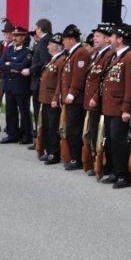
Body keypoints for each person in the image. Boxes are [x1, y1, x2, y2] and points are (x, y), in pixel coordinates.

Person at [97, 25, 131, 189]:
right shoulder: (115, 57)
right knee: (110, 140)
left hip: (120, 107)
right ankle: (115, 171)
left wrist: (127, 108)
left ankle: (123, 175)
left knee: (119, 141)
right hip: (109, 106)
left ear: (120, 39)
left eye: (112, 37)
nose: (110, 39)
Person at [58, 24, 90, 171]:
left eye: (65, 39)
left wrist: (72, 93)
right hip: (69, 97)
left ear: (71, 39)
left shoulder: (81, 53)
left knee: (74, 129)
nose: (63, 42)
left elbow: (79, 76)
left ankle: (77, 158)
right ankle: (73, 156)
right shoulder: (72, 53)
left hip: (76, 99)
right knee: (70, 128)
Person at [84, 23, 115, 177]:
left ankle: (104, 165)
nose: (94, 39)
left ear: (107, 39)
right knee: (94, 133)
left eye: (97, 36)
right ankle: (98, 163)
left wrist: (95, 97)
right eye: (94, 36)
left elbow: (103, 80)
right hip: (93, 102)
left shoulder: (109, 55)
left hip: (101, 102)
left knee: (102, 135)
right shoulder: (97, 55)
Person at [0, 25, 33, 144]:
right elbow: (1, 64)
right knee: (10, 111)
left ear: (24, 37)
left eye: (18, 35)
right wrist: (13, 66)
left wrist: (10, 64)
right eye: (14, 35)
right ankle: (12, 134)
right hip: (9, 85)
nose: (15, 37)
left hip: (21, 87)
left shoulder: (27, 52)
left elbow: (23, 66)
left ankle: (27, 135)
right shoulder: (9, 50)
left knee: (24, 112)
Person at [39, 33, 66, 165]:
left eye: (49, 44)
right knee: (47, 126)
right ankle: (49, 150)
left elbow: (61, 81)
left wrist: (56, 97)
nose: (47, 47)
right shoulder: (53, 59)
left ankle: (54, 153)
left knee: (53, 127)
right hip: (45, 98)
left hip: (52, 99)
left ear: (55, 46)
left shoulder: (61, 60)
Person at [25, 19, 52, 151]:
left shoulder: (43, 42)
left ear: (40, 28)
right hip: (39, 82)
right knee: (40, 113)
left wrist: (30, 70)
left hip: (40, 83)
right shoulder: (45, 41)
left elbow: (43, 62)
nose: (35, 30)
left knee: (39, 113)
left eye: (36, 28)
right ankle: (40, 141)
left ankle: (41, 142)